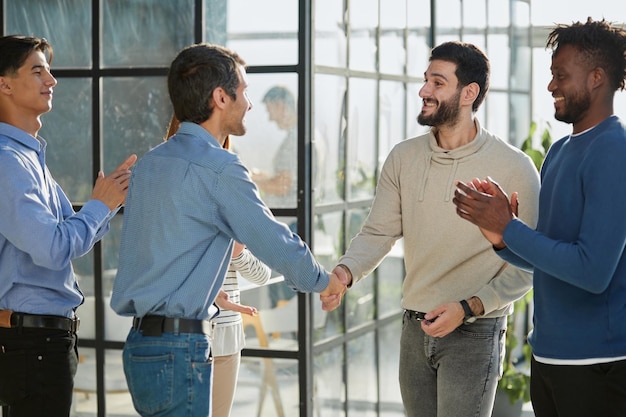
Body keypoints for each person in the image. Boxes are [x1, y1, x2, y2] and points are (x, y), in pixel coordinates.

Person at [110, 42, 347, 417]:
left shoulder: (150, 165)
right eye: (244, 91)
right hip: (179, 349)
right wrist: (324, 281)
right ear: (221, 97)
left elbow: (162, 251)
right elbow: (274, 240)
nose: (249, 103)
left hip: (140, 346)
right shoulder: (221, 169)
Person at [327, 41, 541, 417]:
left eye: (438, 83)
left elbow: (527, 264)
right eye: (426, 80)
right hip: (414, 327)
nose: (424, 90)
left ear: (468, 93)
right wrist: (345, 273)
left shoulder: (514, 168)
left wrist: (468, 307)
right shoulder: (403, 157)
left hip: (475, 331)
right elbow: (379, 232)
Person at [453, 18, 626, 417]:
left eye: (560, 76)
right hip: (548, 360)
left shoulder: (615, 151)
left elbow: (591, 271)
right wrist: (500, 237)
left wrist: (511, 228)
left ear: (596, 78)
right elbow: (548, 259)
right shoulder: (560, 152)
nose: (551, 86)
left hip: (596, 368)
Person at [0, 35, 136, 417]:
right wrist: (100, 205)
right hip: (32, 345)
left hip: (39, 342)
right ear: (4, 83)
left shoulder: (26, 156)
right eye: (37, 70)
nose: (52, 80)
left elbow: (63, 238)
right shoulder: (8, 161)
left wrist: (105, 203)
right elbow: (53, 248)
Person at [165, 115, 271, 417]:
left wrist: (237, 252)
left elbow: (262, 274)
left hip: (226, 337)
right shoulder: (169, 192)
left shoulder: (236, 191)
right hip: (181, 333)